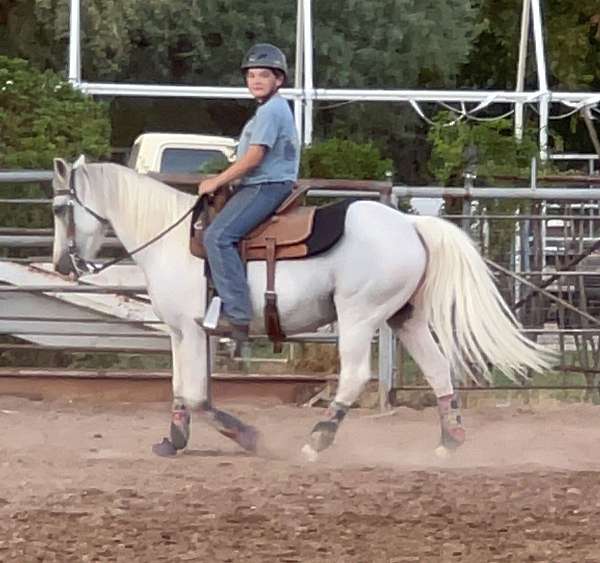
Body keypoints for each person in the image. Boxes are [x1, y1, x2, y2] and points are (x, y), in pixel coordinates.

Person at [197, 43, 300, 342]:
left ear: (278, 80)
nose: (255, 80)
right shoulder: (269, 110)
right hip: (260, 183)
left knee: (217, 236)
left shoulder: (271, 111)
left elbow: (255, 157)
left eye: (263, 75)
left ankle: (238, 316)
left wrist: (217, 181)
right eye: (251, 75)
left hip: (266, 184)